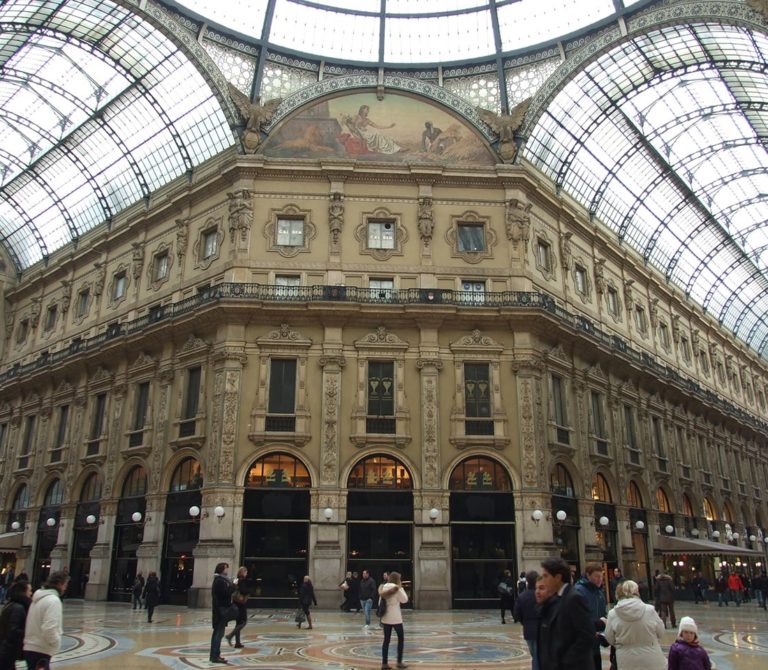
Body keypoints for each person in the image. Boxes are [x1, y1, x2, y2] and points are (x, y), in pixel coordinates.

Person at [536, 557, 594, 670]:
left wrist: (566, 661)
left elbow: (587, 635)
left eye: (546, 576)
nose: (543, 580)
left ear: (558, 577)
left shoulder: (574, 598)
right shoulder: (557, 597)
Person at [603, 579, 666, 670]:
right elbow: (661, 632)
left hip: (626, 660)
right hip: (652, 658)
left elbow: (609, 638)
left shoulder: (613, 614)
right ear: (636, 592)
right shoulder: (649, 610)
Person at [23, 570, 70, 670]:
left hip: (30, 646)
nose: (65, 588)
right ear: (59, 584)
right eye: (65, 584)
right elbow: (49, 628)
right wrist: (56, 643)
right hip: (41, 649)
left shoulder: (38, 598)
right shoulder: (53, 600)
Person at [574, 564, 608, 670]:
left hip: (596, 640)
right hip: (583, 642)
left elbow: (603, 613)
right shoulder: (579, 591)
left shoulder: (599, 593)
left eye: (601, 576)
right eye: (596, 576)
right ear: (588, 575)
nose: (600, 579)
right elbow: (577, 618)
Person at [378, 571, 409, 670]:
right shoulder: (397, 588)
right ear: (397, 579)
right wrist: (401, 588)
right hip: (396, 618)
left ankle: (384, 663)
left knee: (386, 640)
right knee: (400, 639)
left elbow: (379, 603)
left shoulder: (383, 587)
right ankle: (399, 662)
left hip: (386, 618)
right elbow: (405, 600)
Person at [0, 580, 32, 670]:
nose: (31, 593)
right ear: (23, 592)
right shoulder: (18, 608)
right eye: (29, 590)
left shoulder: (11, 604)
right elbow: (13, 630)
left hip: (6, 648)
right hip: (8, 650)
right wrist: (28, 632)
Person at [512, 571, 540, 670]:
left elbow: (516, 614)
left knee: (535, 656)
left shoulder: (522, 596)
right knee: (539, 656)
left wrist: (524, 622)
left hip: (528, 630)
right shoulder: (542, 594)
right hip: (542, 629)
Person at [209, 562, 232, 665]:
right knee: (218, 634)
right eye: (226, 568)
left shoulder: (220, 580)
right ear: (222, 569)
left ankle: (215, 655)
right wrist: (233, 586)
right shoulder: (219, 581)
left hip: (220, 611)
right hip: (220, 612)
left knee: (218, 634)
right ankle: (215, 655)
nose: (227, 570)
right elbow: (225, 594)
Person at [225, 566, 248, 648]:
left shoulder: (236, 579)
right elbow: (243, 590)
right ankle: (230, 635)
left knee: (238, 622)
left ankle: (237, 643)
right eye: (246, 572)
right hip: (241, 603)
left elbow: (232, 588)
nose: (246, 574)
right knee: (243, 622)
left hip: (235, 602)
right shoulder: (242, 580)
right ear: (243, 572)